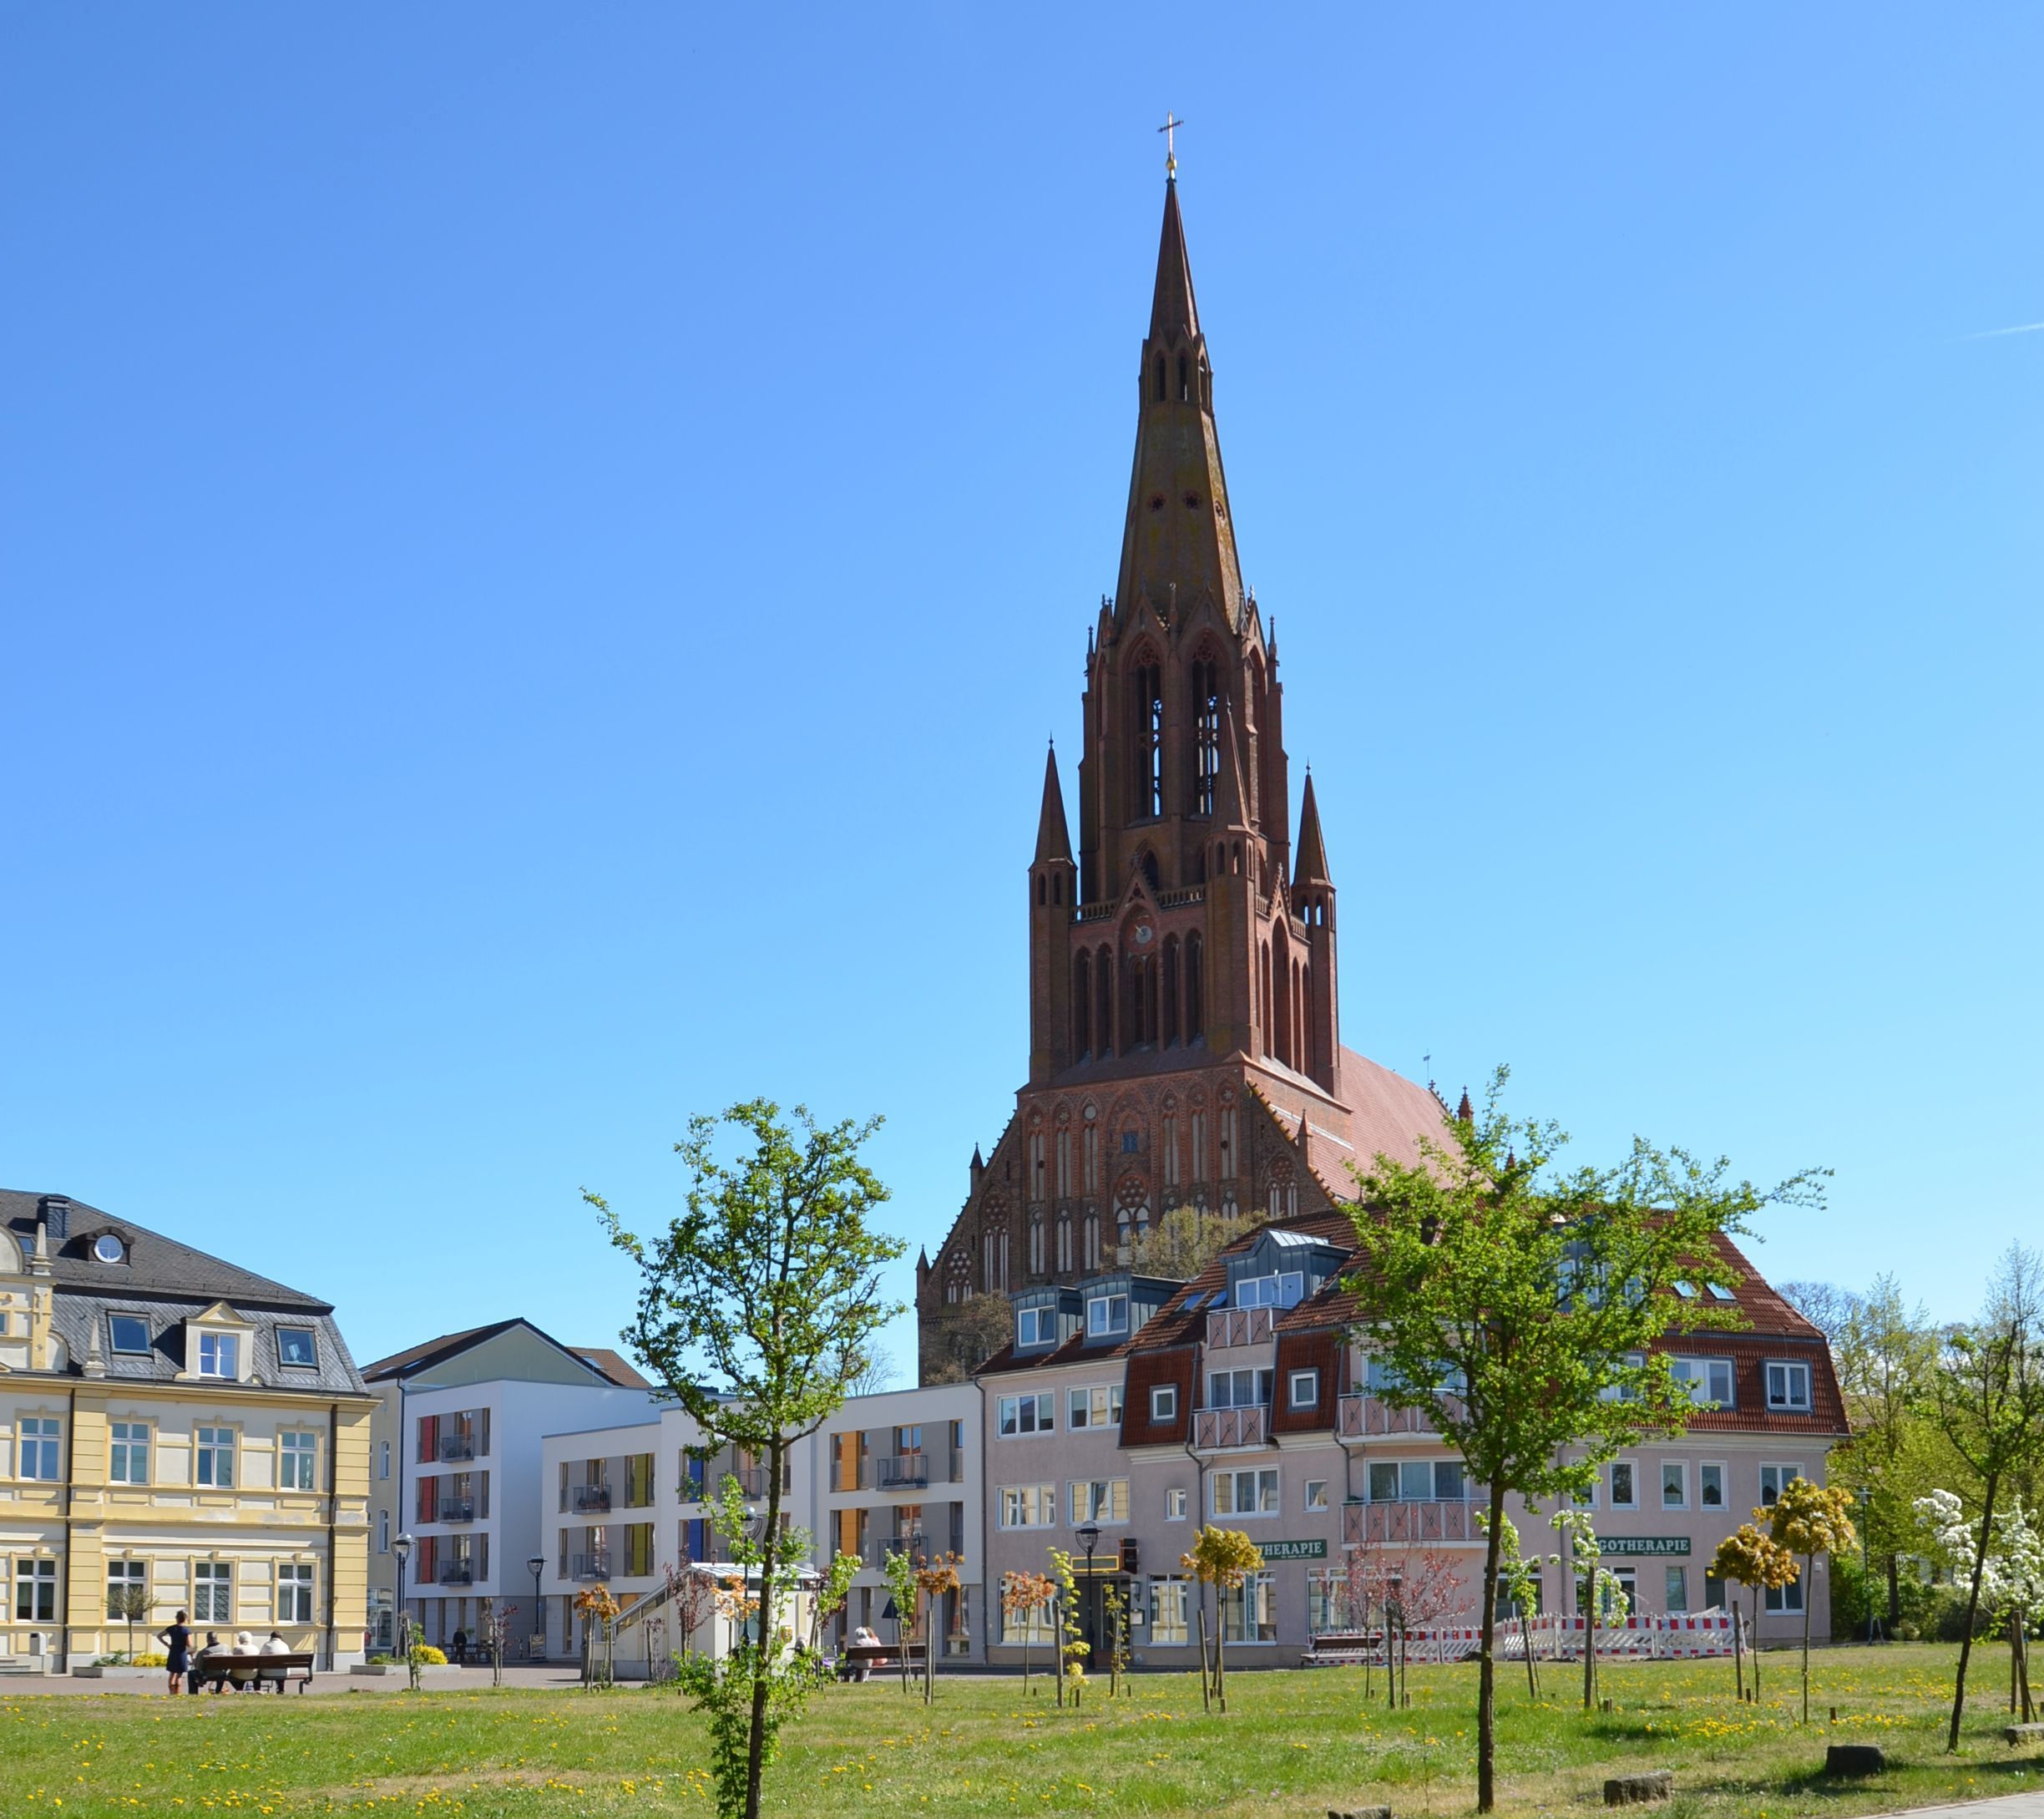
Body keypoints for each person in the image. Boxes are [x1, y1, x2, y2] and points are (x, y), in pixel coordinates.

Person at [156, 1610, 192, 1696]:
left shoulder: (171, 1628)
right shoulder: (186, 1630)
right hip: (181, 1652)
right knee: (179, 1674)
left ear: (177, 1618)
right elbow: (189, 1644)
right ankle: (178, 1693)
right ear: (186, 1618)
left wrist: (167, 1644)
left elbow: (159, 1636)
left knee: (172, 1673)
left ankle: (171, 1692)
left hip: (173, 1650)